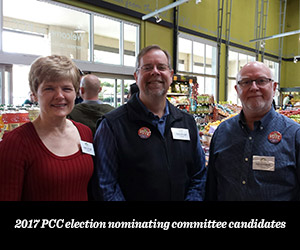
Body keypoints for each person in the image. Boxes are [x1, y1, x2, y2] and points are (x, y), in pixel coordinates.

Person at [92, 45, 207, 201]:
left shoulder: (186, 122)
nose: (155, 72)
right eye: (147, 68)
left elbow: (198, 175)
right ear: (136, 76)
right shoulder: (112, 125)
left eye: (161, 67)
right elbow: (106, 185)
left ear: (171, 75)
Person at [0, 55, 94, 201]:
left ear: (76, 93)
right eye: (49, 88)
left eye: (67, 88)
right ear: (34, 94)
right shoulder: (15, 143)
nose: (59, 95)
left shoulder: (85, 133)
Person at [205, 61, 300, 201]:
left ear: (274, 88)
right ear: (237, 89)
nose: (254, 87)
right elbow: (211, 188)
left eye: (261, 81)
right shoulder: (222, 132)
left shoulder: (294, 134)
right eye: (246, 82)